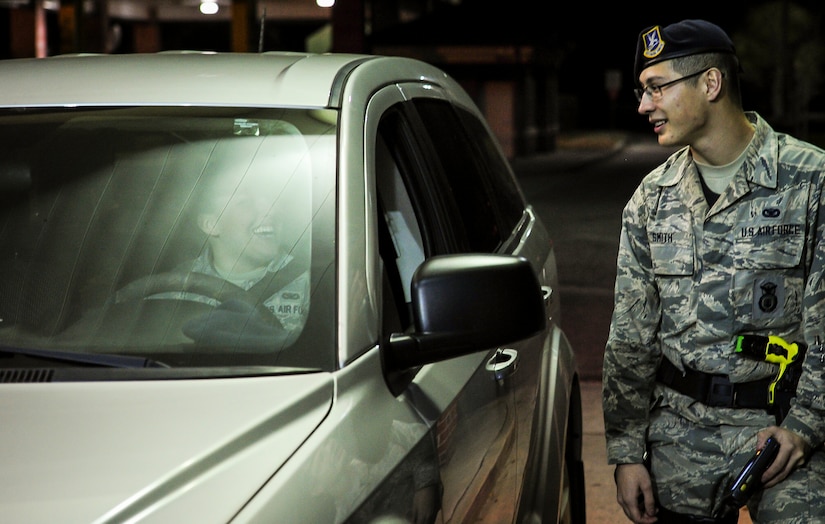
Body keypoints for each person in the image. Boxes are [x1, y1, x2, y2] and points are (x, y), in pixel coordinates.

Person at [602, 19, 825, 524]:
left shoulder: (811, 181)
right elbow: (630, 339)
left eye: (656, 88)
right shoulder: (650, 201)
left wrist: (806, 427)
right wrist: (625, 452)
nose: (643, 105)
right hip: (681, 436)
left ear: (710, 83)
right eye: (642, 91)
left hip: (784, 433)